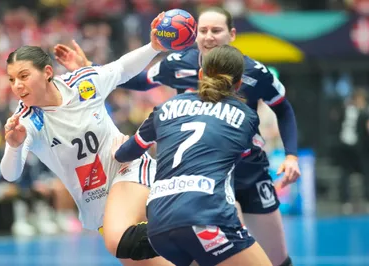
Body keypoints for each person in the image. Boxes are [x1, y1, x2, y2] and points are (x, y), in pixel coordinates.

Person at [54, 7, 299, 266]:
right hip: (200, 174)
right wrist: (91, 69)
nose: (208, 37)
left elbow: (283, 108)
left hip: (245, 172)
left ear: (232, 34)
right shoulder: (179, 63)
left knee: (277, 259)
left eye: (216, 30)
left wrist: (291, 155)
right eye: (203, 30)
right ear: (194, 35)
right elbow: (137, 80)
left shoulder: (253, 71)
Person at [0, 14, 175, 266]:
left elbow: (121, 69)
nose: (17, 85)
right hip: (96, 201)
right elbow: (10, 174)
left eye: (24, 76)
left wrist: (153, 48)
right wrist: (14, 146)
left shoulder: (82, 83)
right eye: (12, 79)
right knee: (137, 253)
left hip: (126, 167)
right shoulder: (27, 120)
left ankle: (188, 226)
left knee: (120, 240)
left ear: (47, 72)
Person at [112, 45, 272, 266]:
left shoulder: (166, 107)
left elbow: (126, 152)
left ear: (199, 75)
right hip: (207, 218)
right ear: (239, 83)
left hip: (158, 225)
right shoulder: (246, 116)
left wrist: (117, 151)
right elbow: (247, 160)